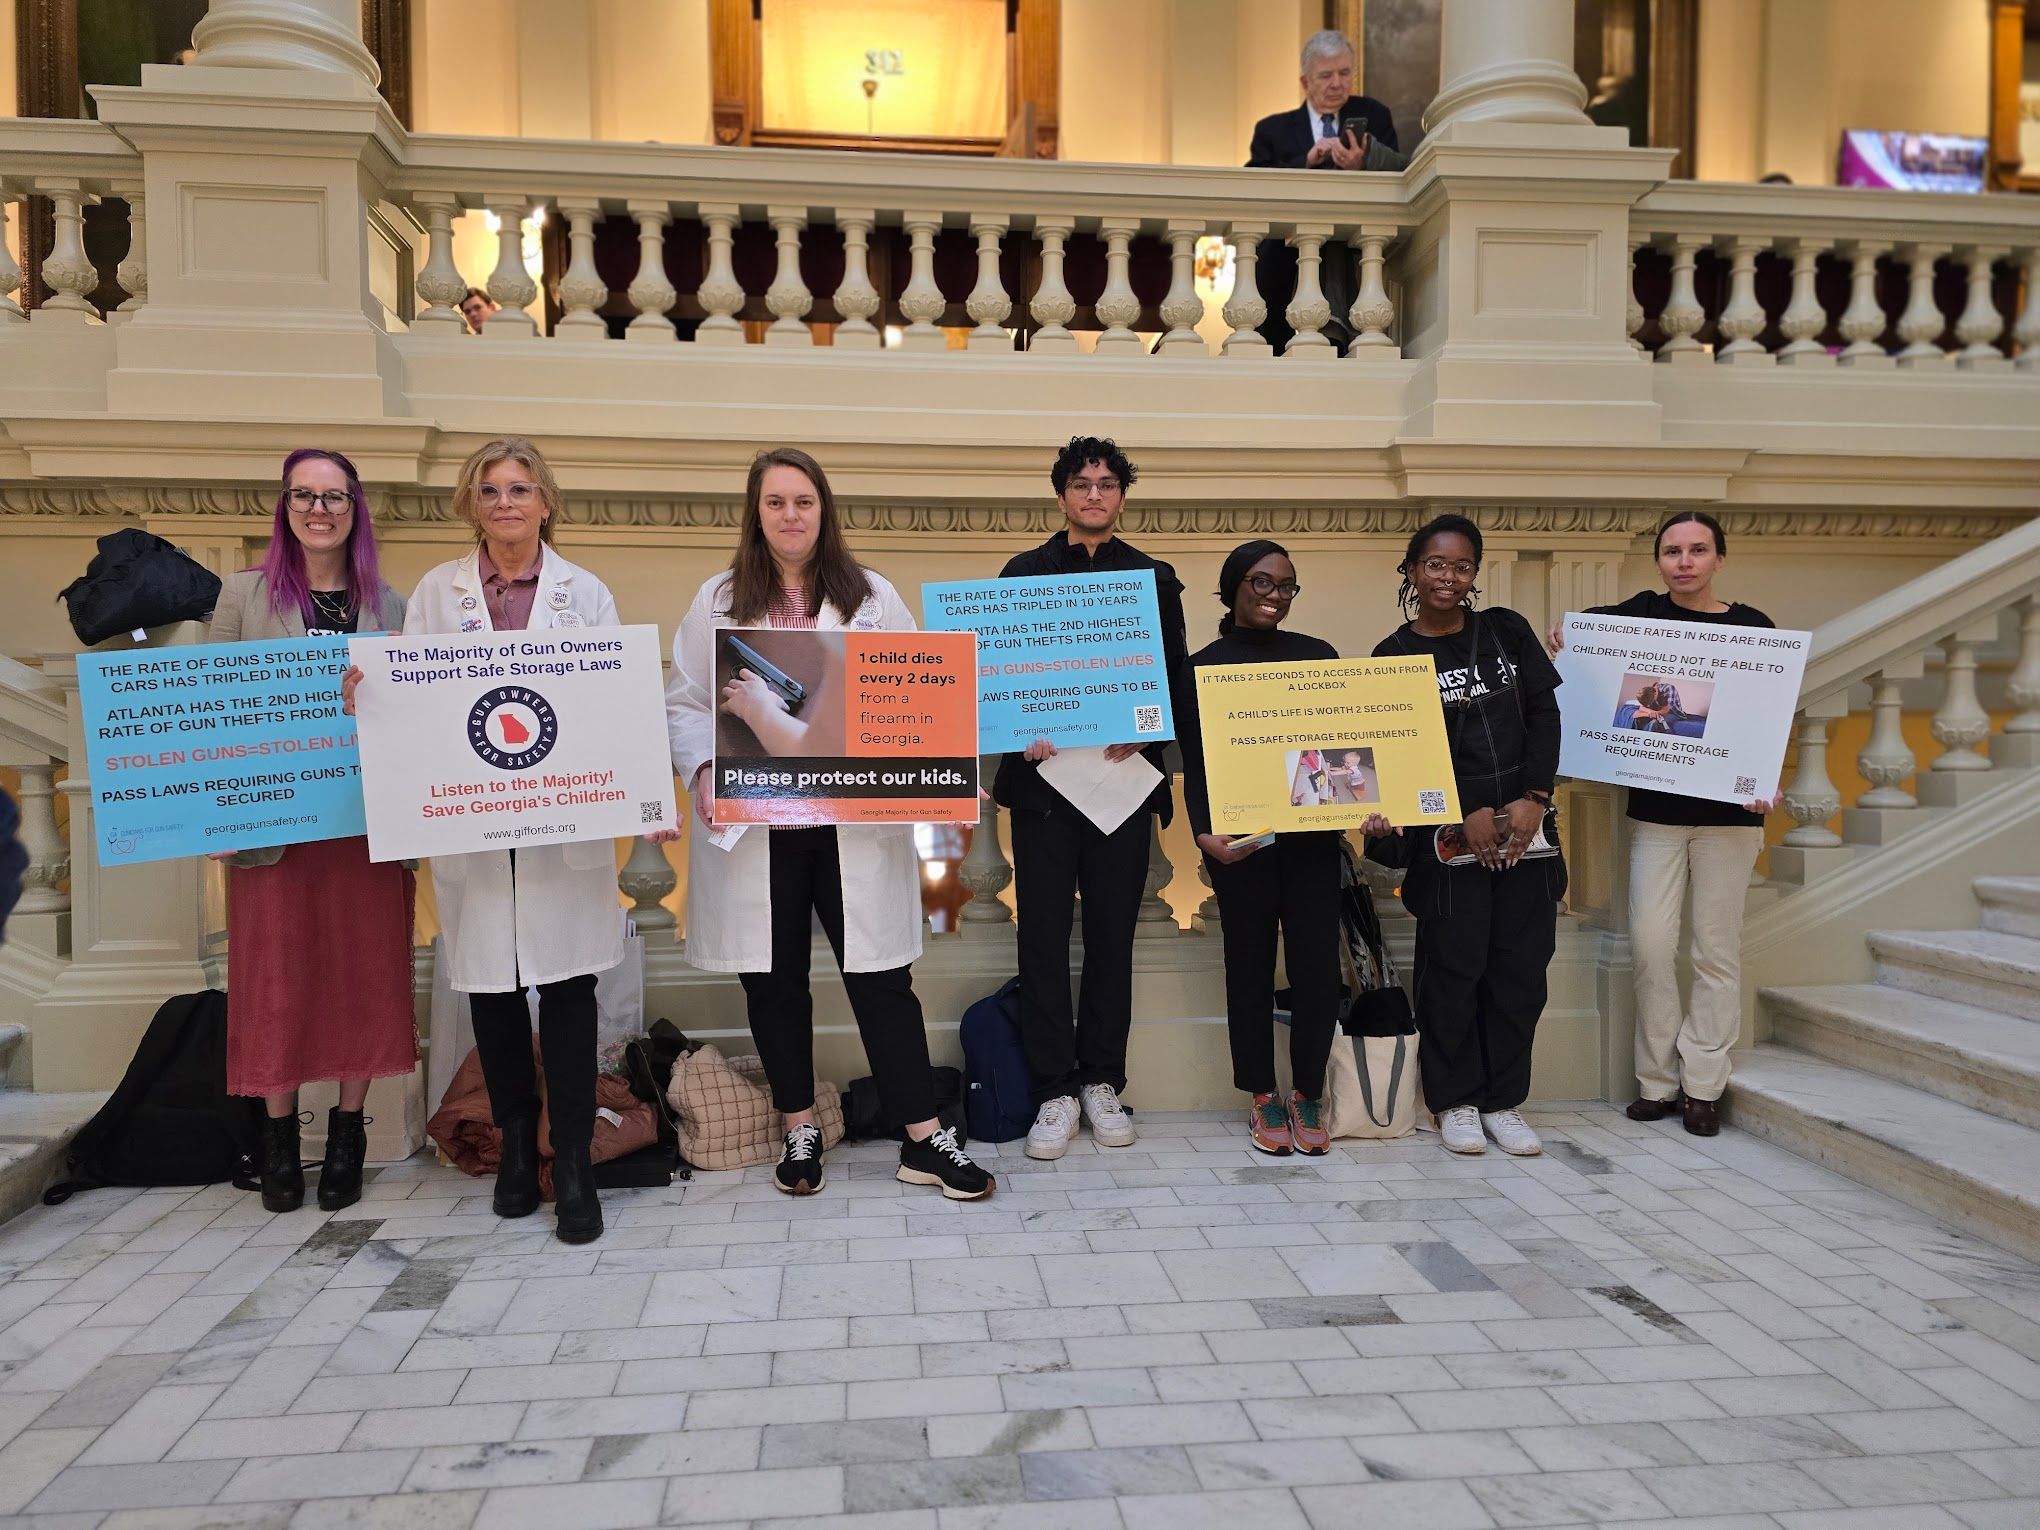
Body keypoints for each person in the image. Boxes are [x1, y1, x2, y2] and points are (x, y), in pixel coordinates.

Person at [667, 447, 994, 1201]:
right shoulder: (717, 599)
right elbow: (683, 703)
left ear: (824, 511)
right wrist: (705, 769)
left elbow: (918, 698)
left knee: (881, 977)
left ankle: (922, 1137)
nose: (790, 515)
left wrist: (942, 780)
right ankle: (798, 1127)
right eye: (776, 502)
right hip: (760, 827)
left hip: (851, 824)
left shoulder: (871, 596)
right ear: (756, 511)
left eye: (803, 502)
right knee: (774, 983)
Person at [346, 437, 623, 1243]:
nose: (506, 503)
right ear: (473, 503)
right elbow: (417, 700)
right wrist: (372, 694)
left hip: (561, 821)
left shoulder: (586, 593)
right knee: (493, 992)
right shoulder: (437, 592)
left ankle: (570, 1158)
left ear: (546, 502)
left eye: (521, 489)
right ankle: (510, 1148)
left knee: (570, 991)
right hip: (473, 819)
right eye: (491, 490)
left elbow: (606, 703)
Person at [207, 449, 415, 1215]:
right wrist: (214, 813)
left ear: (355, 509)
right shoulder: (242, 597)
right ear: (284, 507)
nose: (318, 509)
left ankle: (349, 1132)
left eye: (334, 497)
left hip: (363, 829)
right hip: (272, 828)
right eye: (304, 495)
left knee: (362, 974)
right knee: (275, 980)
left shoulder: (392, 608)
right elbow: (212, 714)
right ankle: (278, 1144)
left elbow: (414, 724)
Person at [1547, 511, 1779, 1137]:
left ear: (1719, 559)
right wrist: (1568, 639)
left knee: (1714, 952)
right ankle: (1657, 1082)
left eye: (1698, 550)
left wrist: (1762, 776)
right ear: (1659, 560)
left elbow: (1762, 717)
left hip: (1730, 821)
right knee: (1650, 947)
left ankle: (1703, 1085)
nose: (1685, 561)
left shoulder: (1752, 628)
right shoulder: (1643, 613)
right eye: (1673, 550)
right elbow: (1582, 640)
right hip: (1656, 816)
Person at [994, 437, 1187, 1162]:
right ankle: (1053, 1090)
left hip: (1121, 789)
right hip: (1047, 791)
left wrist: (1149, 731)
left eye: (1108, 484)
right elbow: (1003, 678)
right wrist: (1021, 731)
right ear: (1062, 495)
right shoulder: (1022, 574)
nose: (1095, 495)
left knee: (1112, 937)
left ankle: (1102, 1080)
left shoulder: (1153, 578)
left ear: (1123, 496)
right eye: (1082, 484)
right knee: (1041, 938)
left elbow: (1171, 676)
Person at [1366, 514, 1564, 1158]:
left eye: (1461, 567)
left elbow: (1543, 713)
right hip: (1450, 848)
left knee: (1519, 975)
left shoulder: (1507, 631)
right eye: (1434, 565)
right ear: (1411, 570)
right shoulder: (1393, 657)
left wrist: (1534, 798)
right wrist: (1463, 810)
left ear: (1473, 575)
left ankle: (1504, 1102)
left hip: (1525, 838)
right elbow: (1404, 754)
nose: (1447, 578)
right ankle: (1454, 1101)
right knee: (1453, 975)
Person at [1176, 541, 1355, 1156]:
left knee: (1316, 970)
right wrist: (1203, 833)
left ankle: (1307, 1092)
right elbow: (1196, 765)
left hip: (1310, 841)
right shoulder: (1201, 667)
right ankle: (1260, 1095)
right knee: (1247, 968)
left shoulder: (1318, 657)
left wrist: (1367, 803)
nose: (1274, 595)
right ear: (1232, 587)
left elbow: (1338, 750)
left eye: (1286, 586)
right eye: (1261, 582)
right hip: (1241, 846)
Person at [1246, 29, 1407, 353]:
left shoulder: (1374, 115)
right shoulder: (1272, 130)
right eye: (1326, 75)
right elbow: (1252, 183)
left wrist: (1362, 162)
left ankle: (1338, 331)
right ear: (1306, 82)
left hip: (1356, 256)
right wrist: (1305, 160)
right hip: (1286, 262)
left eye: (1345, 73)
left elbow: (1402, 172)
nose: (1337, 83)